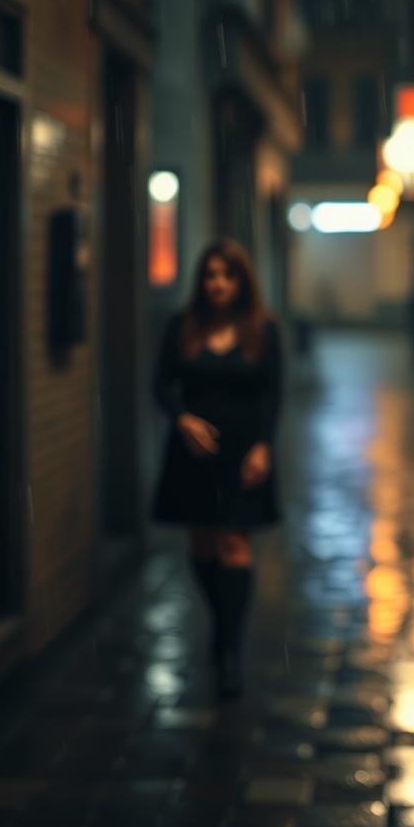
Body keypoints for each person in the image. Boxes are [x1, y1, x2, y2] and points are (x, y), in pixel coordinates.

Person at [153, 239, 282, 699]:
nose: (218, 284)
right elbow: (161, 385)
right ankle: (221, 624)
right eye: (210, 276)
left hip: (244, 454)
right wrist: (183, 419)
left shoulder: (262, 330)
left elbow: (271, 393)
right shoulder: (182, 327)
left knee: (234, 543)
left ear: (241, 281)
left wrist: (264, 446)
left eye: (226, 276)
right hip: (193, 455)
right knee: (203, 544)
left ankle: (228, 651)